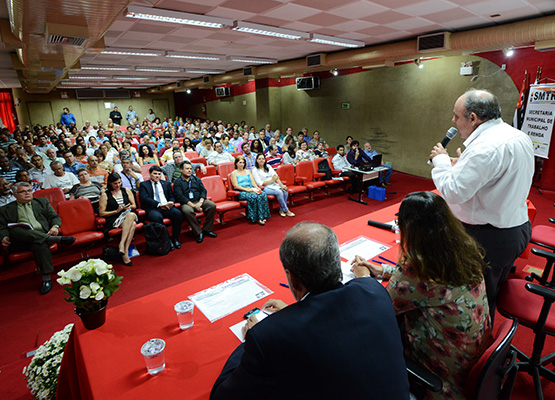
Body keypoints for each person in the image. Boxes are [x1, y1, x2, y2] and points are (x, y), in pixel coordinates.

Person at [211, 222, 410, 400]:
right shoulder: (373, 290)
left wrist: (249, 341)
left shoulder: (267, 337)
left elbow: (221, 395)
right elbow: (331, 327)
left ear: (292, 278)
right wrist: (291, 314)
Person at [351, 191, 492, 399]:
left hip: (444, 377)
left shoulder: (419, 269)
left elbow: (377, 310)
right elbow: (424, 285)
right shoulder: (462, 249)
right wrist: (382, 271)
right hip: (472, 356)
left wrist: (362, 278)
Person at [429, 89, 534, 319]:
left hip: (487, 240)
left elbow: (454, 192)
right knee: (491, 293)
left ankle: (479, 350)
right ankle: (489, 344)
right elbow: (496, 176)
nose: (453, 121)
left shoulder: (485, 147)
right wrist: (463, 163)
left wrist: (441, 161)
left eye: (456, 116)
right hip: (514, 229)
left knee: (475, 303)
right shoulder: (517, 135)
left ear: (473, 118)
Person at [0, 182, 76, 294]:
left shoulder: (42, 202)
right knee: (15, 230)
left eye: (29, 191)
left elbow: (54, 217)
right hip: (21, 240)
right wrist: (4, 237)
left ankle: (46, 279)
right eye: (22, 192)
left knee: (39, 244)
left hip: (41, 236)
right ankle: (54, 239)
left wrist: (55, 227)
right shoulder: (5, 209)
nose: (27, 193)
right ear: (15, 194)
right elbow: (2, 227)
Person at [139, 165, 183, 250]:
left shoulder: (166, 183)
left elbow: (172, 196)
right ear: (150, 174)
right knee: (157, 217)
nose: (157, 176)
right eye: (155, 173)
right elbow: (145, 198)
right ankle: (167, 239)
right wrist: (159, 204)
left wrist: (171, 202)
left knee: (178, 214)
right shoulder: (144, 185)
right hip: (153, 208)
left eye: (159, 174)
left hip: (166, 206)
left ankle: (175, 237)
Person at [99, 172, 138, 266]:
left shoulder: (126, 191)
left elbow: (134, 205)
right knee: (132, 223)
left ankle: (122, 245)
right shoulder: (105, 195)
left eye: (119, 182)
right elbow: (102, 213)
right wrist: (116, 211)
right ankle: (125, 251)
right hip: (114, 218)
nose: (118, 185)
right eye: (115, 183)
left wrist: (127, 207)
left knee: (131, 215)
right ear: (110, 183)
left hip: (127, 213)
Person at [174, 161, 217, 243]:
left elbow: (203, 191)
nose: (189, 170)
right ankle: (198, 232)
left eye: (190, 169)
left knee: (212, 205)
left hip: (198, 201)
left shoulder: (196, 179)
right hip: (187, 203)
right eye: (187, 169)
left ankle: (207, 229)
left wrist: (200, 203)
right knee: (187, 211)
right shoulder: (177, 182)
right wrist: (194, 206)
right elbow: (180, 197)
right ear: (181, 170)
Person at [230, 156, 270, 225]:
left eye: (243, 163)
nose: (242, 164)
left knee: (262, 194)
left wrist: (257, 188)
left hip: (250, 189)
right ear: (236, 163)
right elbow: (236, 186)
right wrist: (246, 190)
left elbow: (253, 182)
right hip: (241, 192)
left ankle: (263, 215)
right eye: (240, 163)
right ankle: (257, 218)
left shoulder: (248, 171)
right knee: (255, 197)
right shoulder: (234, 173)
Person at [252, 154, 294, 218]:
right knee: (279, 192)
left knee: (285, 189)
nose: (261, 160)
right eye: (259, 159)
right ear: (257, 160)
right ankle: (286, 210)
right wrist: (272, 180)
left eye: (263, 159)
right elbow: (260, 183)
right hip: (264, 188)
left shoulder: (268, 166)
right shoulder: (255, 170)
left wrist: (281, 185)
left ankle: (282, 209)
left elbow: (275, 176)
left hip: (273, 185)